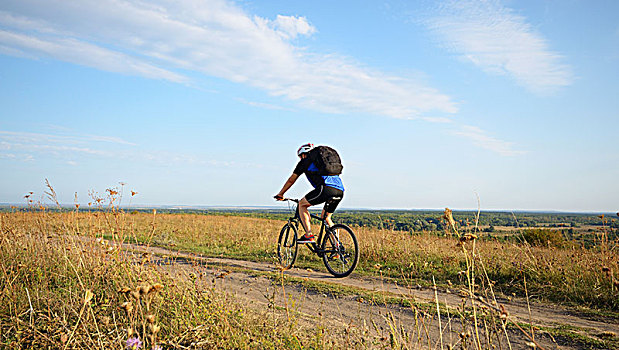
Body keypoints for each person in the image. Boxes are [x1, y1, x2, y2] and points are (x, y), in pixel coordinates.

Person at [274, 143, 345, 243]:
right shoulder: (324, 164)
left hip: (325, 189)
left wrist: (281, 194)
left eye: (300, 157)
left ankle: (309, 235)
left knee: (302, 205)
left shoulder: (305, 161)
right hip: (340, 191)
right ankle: (337, 247)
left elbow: (291, 180)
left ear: (303, 154)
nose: (300, 159)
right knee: (327, 218)